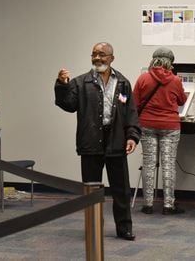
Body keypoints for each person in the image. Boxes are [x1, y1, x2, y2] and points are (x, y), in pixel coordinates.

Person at [54, 42, 141, 241]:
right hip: (91, 142)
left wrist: (132, 136)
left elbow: (130, 113)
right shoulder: (81, 82)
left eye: (102, 54)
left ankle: (124, 228)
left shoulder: (122, 83)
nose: (97, 58)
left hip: (116, 141)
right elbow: (67, 104)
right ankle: (93, 227)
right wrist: (62, 85)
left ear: (112, 58)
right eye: (94, 54)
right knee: (91, 191)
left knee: (121, 190)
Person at [132, 47, 186, 215]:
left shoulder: (143, 78)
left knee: (148, 164)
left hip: (147, 125)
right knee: (168, 165)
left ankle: (148, 204)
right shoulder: (175, 80)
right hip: (170, 126)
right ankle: (168, 206)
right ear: (171, 62)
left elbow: (134, 102)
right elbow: (182, 100)